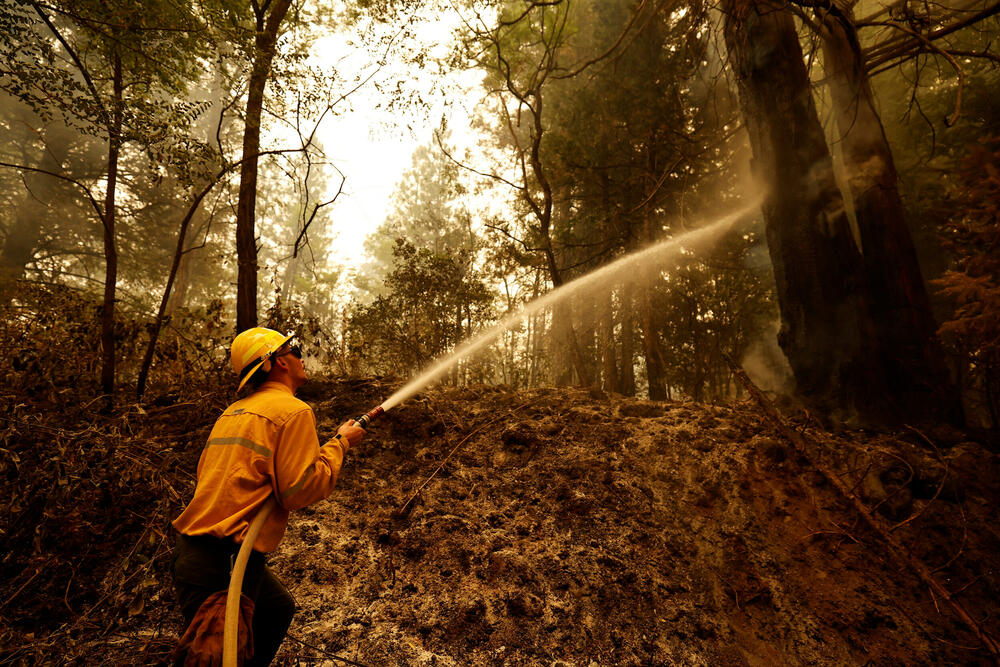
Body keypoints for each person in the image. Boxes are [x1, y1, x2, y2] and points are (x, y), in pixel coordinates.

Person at [171, 327, 365, 666]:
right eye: (294, 350)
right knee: (219, 660)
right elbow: (298, 490)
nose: (301, 356)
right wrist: (341, 444)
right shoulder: (292, 411)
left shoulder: (232, 413)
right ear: (275, 363)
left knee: (275, 609)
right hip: (226, 562)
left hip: (196, 555)